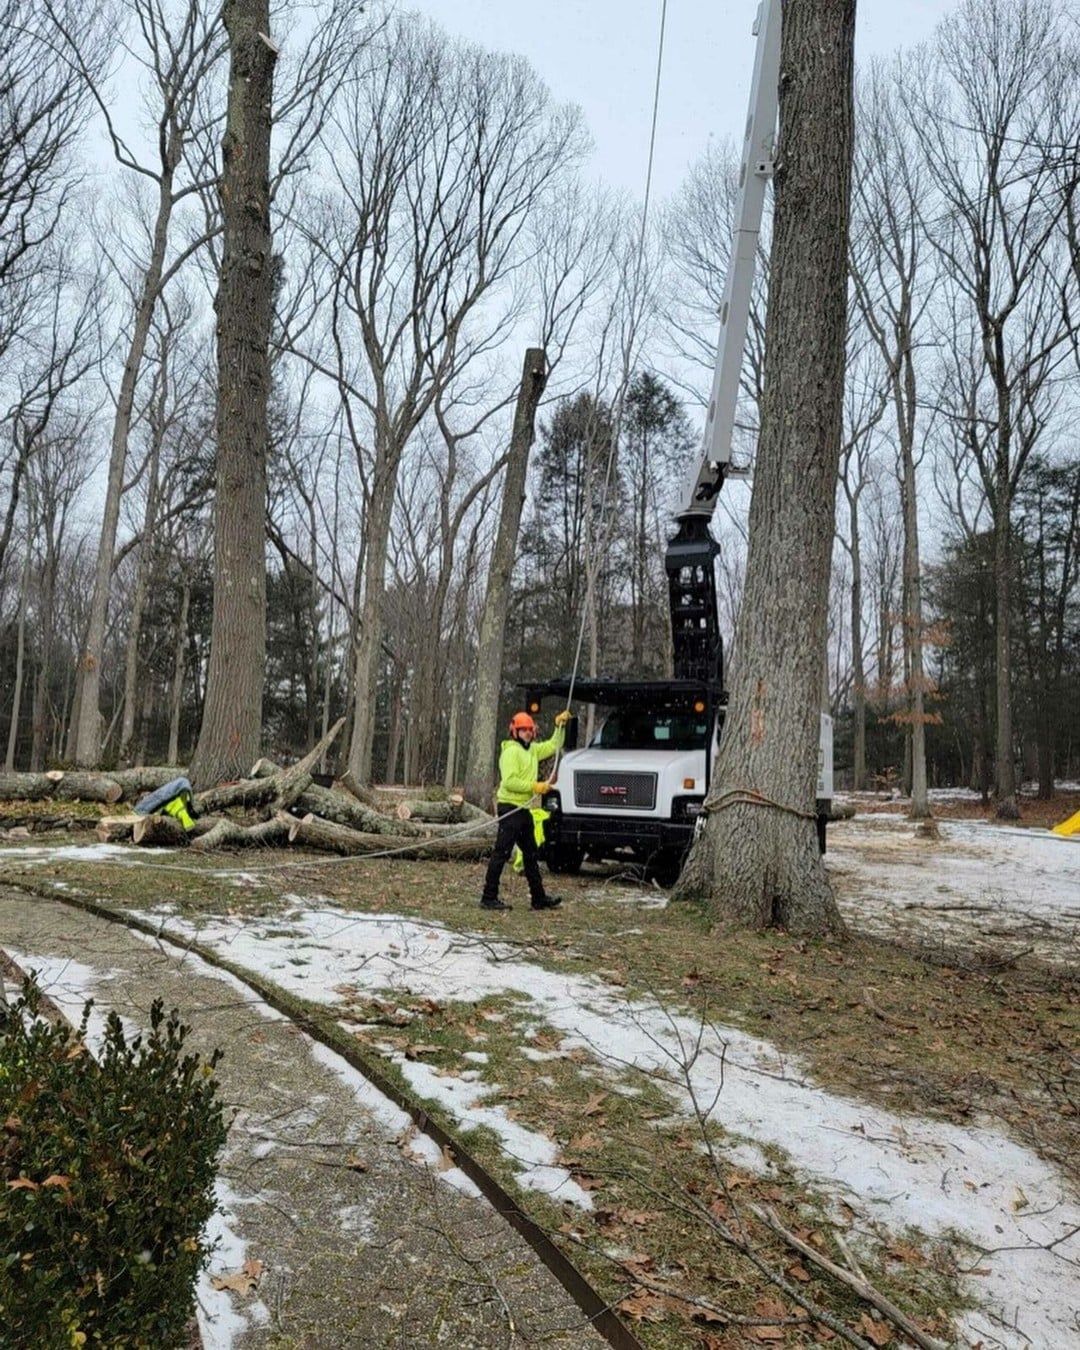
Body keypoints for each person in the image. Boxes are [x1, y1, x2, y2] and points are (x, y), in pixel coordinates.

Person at [480, 709, 572, 912]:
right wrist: (535, 786)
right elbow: (510, 782)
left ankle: (538, 898)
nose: (528, 733)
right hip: (510, 808)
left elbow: (553, 746)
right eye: (524, 731)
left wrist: (559, 727)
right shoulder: (511, 752)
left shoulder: (532, 750)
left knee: (531, 854)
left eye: (530, 730)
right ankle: (488, 897)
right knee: (501, 854)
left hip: (524, 810)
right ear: (515, 732)